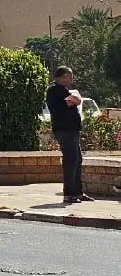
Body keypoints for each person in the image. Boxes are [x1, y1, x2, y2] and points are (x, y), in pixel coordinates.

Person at [46, 65, 93, 204]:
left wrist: (74, 100)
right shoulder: (55, 90)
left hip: (72, 129)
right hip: (64, 129)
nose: (71, 79)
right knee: (70, 160)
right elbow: (76, 100)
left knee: (77, 159)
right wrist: (74, 100)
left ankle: (78, 192)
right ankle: (69, 194)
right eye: (69, 76)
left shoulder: (64, 90)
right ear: (61, 77)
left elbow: (76, 100)